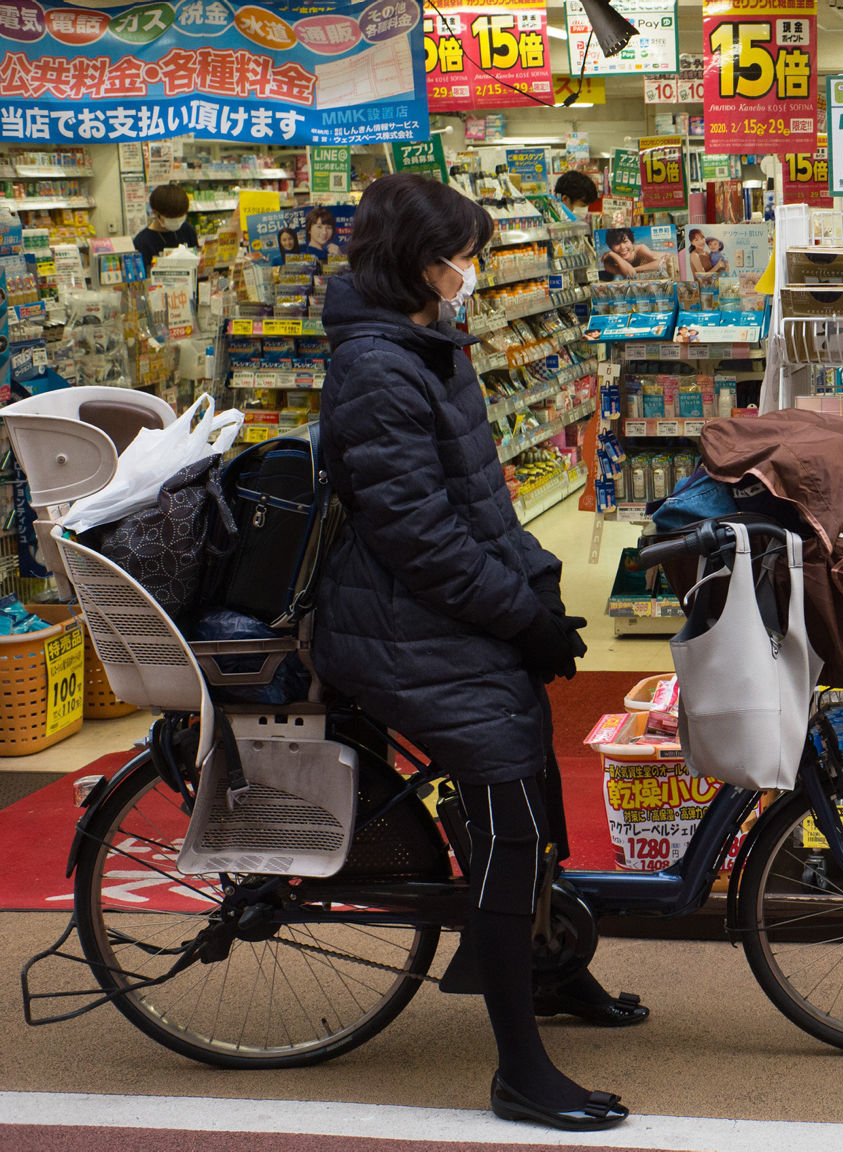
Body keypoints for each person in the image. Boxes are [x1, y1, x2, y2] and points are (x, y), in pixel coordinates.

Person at [313, 173, 638, 1133]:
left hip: (435, 612)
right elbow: (416, 533)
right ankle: (519, 1072)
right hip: (395, 627)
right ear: (425, 263)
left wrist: (537, 586)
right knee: (505, 792)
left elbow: (481, 502)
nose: (475, 270)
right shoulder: (379, 366)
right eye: (466, 253)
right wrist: (515, 615)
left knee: (536, 770)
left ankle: (551, 968)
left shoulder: (429, 343)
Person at [132, 184, 197, 265]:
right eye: (171, 217)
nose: (177, 221)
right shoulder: (142, 242)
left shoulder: (187, 230)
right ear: (155, 213)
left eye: (181, 216)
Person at [600, 226, 665, 279]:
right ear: (611, 247)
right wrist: (612, 254)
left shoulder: (640, 249)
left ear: (632, 242)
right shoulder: (609, 262)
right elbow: (629, 274)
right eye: (617, 243)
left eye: (625, 242)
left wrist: (635, 269)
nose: (622, 247)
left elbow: (662, 263)